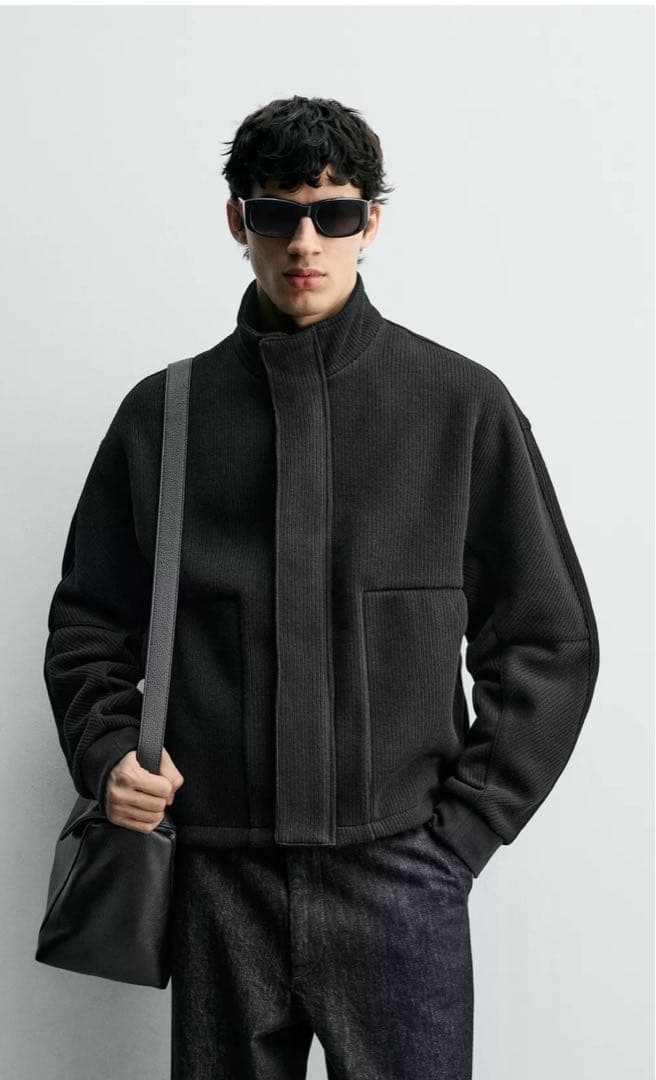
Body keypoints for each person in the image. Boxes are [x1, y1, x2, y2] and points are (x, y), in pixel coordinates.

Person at [43, 95, 600, 1079]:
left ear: (369, 222)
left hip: (401, 877)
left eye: (333, 213)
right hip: (217, 879)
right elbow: (89, 624)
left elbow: (547, 638)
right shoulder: (162, 418)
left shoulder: (460, 407)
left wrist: (460, 837)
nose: (304, 242)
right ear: (238, 220)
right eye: (276, 213)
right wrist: (105, 754)